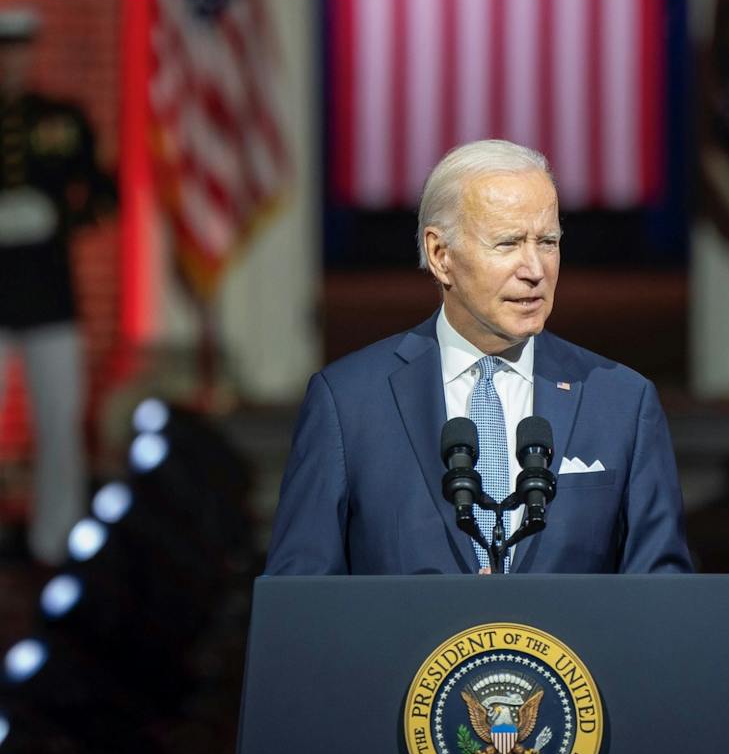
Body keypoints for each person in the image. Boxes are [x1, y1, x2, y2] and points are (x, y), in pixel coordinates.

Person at [266, 139, 691, 576]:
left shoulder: (621, 401)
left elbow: (663, 601)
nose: (535, 269)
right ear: (440, 255)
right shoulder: (348, 402)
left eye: (546, 242)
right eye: (507, 244)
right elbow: (300, 603)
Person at [0, 8, 117, 565]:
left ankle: (58, 538)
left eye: (18, 49)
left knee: (59, 421)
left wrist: (58, 218)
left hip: (50, 294)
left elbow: (101, 192)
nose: (11, 61)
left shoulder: (62, 119)